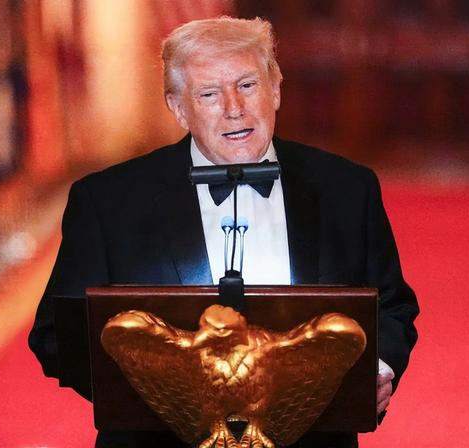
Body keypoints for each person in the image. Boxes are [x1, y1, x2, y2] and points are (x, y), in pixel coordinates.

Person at [28, 16, 418, 448]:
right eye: (209, 94)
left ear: (276, 89)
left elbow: (392, 307)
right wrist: (153, 398)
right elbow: (56, 334)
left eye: (248, 85)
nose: (234, 108)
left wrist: (378, 369)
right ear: (178, 108)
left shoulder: (347, 188)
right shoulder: (107, 202)